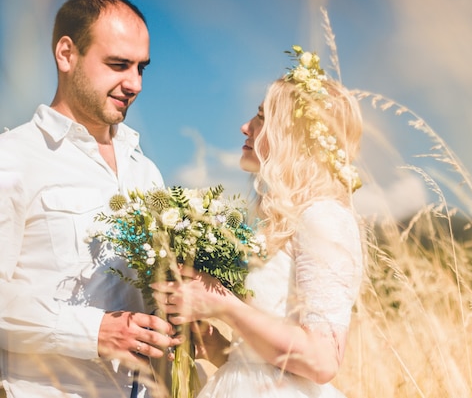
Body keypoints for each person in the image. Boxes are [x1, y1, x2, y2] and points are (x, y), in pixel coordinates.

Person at [152, 45, 366, 397]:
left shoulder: (323, 217)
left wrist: (224, 305)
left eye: (262, 117)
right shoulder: (278, 219)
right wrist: (216, 345)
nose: (245, 126)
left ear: (296, 134)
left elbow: (322, 361)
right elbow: (264, 371)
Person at [0, 0, 180, 398]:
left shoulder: (147, 172)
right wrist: (93, 331)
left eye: (141, 68)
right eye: (118, 64)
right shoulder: (10, 158)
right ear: (67, 54)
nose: (134, 83)